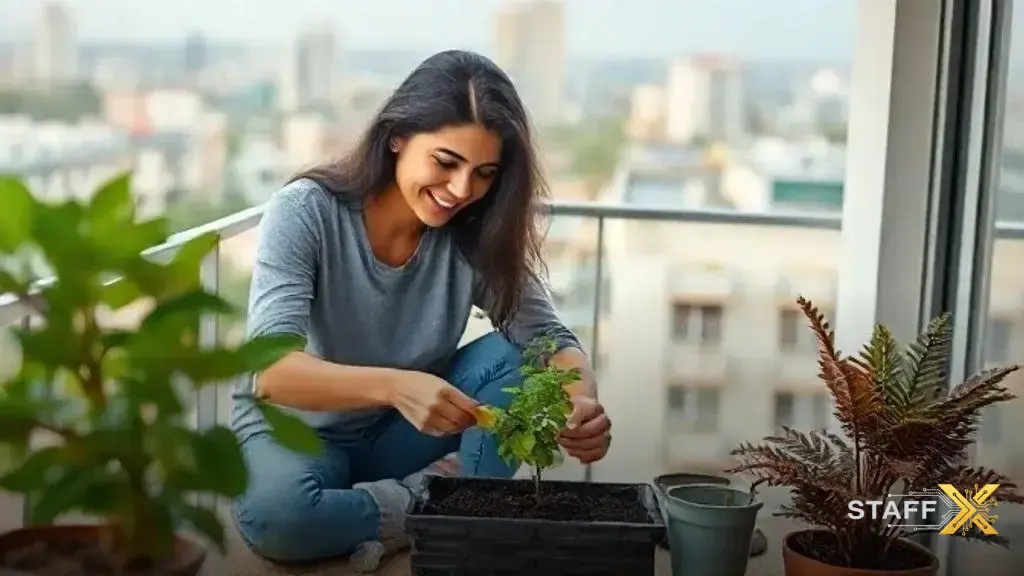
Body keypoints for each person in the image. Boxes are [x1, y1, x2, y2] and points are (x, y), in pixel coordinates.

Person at [228, 49, 612, 572]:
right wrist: (394, 385)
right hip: (297, 432)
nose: (461, 190)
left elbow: (552, 341)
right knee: (278, 519)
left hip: (400, 434)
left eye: (484, 173)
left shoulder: (475, 234)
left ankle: (420, 513)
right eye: (446, 162)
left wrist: (578, 403)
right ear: (397, 137)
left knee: (518, 357)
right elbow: (271, 372)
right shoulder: (305, 212)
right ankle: (429, 505)